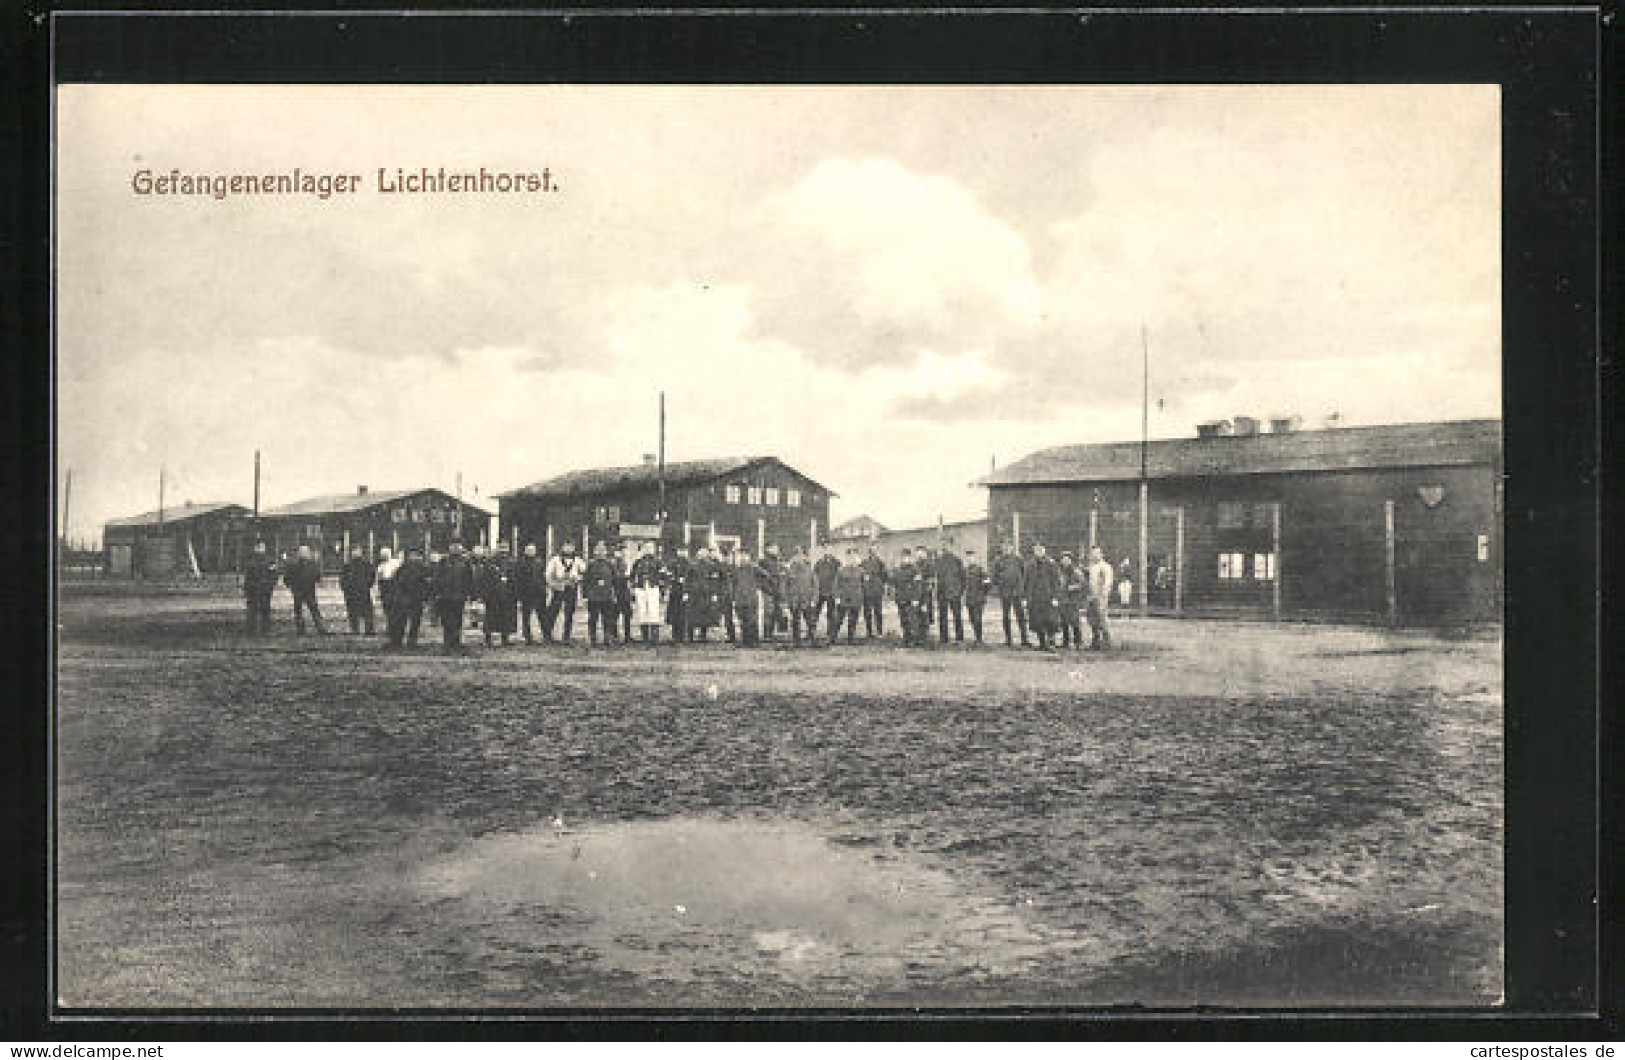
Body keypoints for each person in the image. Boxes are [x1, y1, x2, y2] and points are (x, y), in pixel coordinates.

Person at [432, 539, 476, 652]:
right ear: (449, 547)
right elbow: (436, 578)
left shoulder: (466, 562)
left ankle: (456, 643)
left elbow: (469, 579)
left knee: (457, 620)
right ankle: (447, 643)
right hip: (445, 596)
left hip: (460, 596)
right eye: (453, 545)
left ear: (461, 547)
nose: (456, 548)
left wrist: (471, 594)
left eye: (458, 545)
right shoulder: (443, 561)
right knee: (447, 620)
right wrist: (437, 593)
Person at [387, 545, 430, 648]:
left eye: (416, 555)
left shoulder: (423, 569)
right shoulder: (402, 568)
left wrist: (425, 597)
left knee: (414, 622)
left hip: (416, 599)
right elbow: (396, 583)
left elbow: (427, 585)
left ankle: (411, 642)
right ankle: (397, 641)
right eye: (411, 555)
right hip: (404, 599)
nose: (413, 557)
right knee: (401, 621)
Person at [729, 549, 772, 647]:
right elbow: (733, 584)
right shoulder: (736, 570)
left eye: (745, 556)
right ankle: (745, 641)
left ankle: (754, 641)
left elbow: (766, 576)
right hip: (740, 598)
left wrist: (759, 586)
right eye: (741, 556)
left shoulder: (754, 568)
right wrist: (733, 597)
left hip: (751, 598)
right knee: (742, 620)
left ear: (749, 557)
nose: (743, 558)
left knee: (752, 620)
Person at [544, 542, 585, 643]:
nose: (568, 549)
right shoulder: (555, 560)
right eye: (566, 547)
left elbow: (585, 573)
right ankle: (547, 635)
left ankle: (566, 636)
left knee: (569, 613)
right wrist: (554, 584)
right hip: (558, 588)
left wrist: (577, 578)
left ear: (574, 548)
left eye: (571, 547)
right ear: (562, 547)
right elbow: (548, 574)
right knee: (552, 612)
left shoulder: (578, 560)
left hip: (571, 588)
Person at [991, 541, 1030, 648]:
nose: (1007, 549)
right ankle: (1008, 640)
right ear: (1002, 548)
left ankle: (1024, 639)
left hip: (1017, 593)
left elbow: (1024, 575)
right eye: (1005, 547)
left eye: (1009, 547)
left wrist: (1021, 589)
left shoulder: (1018, 559)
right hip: (1005, 593)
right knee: (1006, 616)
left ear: (1012, 548)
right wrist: (1001, 584)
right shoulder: (998, 561)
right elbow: (994, 577)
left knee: (1021, 616)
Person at [476, 547, 517, 647]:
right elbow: (484, 578)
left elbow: (515, 578)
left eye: (505, 548)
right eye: (501, 547)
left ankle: (505, 639)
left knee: (506, 617)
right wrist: (484, 594)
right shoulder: (490, 562)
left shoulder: (511, 562)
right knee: (490, 617)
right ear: (498, 548)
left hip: (507, 594)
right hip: (492, 595)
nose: (503, 550)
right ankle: (488, 639)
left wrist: (514, 592)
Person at [283, 544, 327, 635]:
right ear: (299, 553)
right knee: (299, 611)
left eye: (305, 552)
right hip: (299, 591)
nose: (304, 554)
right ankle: (301, 629)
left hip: (309, 591)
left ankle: (321, 628)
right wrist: (292, 587)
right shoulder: (293, 565)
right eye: (302, 552)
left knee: (314, 610)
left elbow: (317, 577)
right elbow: (287, 578)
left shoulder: (312, 564)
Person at [1026, 542, 1062, 651]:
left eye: (1040, 550)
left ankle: (1051, 643)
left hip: (1048, 597)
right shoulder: (1030, 565)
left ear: (1044, 550)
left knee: (1051, 621)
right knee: (1037, 621)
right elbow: (1026, 582)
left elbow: (1056, 582)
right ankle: (1042, 643)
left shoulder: (1051, 564)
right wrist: (1026, 597)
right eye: (1036, 550)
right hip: (1035, 598)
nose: (1038, 552)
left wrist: (1055, 597)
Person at [582, 541, 619, 646]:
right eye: (598, 550)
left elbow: (615, 581)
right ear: (594, 552)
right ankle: (592, 638)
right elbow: (585, 581)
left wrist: (615, 594)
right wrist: (585, 596)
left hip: (606, 596)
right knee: (593, 618)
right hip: (593, 597)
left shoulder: (610, 565)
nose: (600, 553)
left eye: (602, 550)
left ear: (606, 552)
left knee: (607, 618)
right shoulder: (590, 565)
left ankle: (607, 638)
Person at [630, 542, 665, 645]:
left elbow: (663, 576)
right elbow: (632, 575)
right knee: (642, 611)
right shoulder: (638, 562)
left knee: (653, 611)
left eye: (651, 548)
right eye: (647, 548)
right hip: (641, 588)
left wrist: (661, 588)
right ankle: (645, 637)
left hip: (653, 588)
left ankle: (654, 638)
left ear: (654, 549)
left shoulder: (658, 562)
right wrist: (633, 587)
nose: (649, 550)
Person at [784, 545, 819, 647]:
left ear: (804, 557)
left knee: (810, 621)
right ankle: (796, 641)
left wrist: (814, 599)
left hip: (807, 600)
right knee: (795, 622)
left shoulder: (810, 570)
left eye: (801, 556)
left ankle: (812, 640)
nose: (799, 558)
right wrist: (786, 601)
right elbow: (784, 587)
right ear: (793, 558)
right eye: (796, 556)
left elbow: (815, 586)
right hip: (794, 600)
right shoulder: (789, 571)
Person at [339, 545, 377, 635]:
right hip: (352, 592)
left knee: (367, 612)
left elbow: (372, 576)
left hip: (363, 591)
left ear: (361, 552)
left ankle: (369, 630)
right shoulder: (347, 566)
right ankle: (355, 630)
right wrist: (345, 588)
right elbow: (342, 578)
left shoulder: (367, 564)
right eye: (354, 551)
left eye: (357, 551)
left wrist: (367, 585)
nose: (355, 553)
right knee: (353, 612)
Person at [241, 540, 278, 634]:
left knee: (265, 610)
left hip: (265, 589)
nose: (259, 549)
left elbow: (274, 575)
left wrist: (270, 585)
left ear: (265, 548)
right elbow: (247, 576)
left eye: (261, 547)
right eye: (258, 547)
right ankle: (250, 630)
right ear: (254, 548)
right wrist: (246, 588)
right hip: (253, 589)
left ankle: (265, 630)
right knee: (251, 610)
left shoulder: (270, 560)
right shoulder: (250, 560)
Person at [514, 543, 547, 644]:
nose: (531, 552)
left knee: (542, 615)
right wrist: (519, 593)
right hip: (526, 593)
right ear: (525, 551)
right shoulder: (520, 563)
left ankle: (546, 635)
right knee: (526, 616)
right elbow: (518, 579)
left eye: (533, 550)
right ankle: (528, 637)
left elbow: (543, 576)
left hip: (539, 593)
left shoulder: (540, 562)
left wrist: (544, 589)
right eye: (529, 550)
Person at [933, 543, 966, 644]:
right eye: (944, 547)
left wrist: (960, 591)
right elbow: (936, 577)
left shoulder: (957, 561)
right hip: (942, 593)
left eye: (948, 546)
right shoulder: (938, 561)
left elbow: (963, 578)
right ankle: (944, 638)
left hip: (954, 593)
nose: (946, 548)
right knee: (943, 616)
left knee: (957, 616)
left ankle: (959, 638)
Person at [832, 546, 864, 644]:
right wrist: (837, 597)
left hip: (856, 598)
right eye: (850, 556)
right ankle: (832, 638)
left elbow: (863, 584)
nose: (852, 559)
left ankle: (851, 638)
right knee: (839, 619)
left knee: (853, 619)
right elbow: (836, 584)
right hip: (844, 598)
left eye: (854, 556)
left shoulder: (861, 571)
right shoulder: (841, 570)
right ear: (847, 557)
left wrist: (861, 597)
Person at [1086, 545, 1115, 650]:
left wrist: (1103, 596)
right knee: (1092, 619)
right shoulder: (1092, 567)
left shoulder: (1105, 567)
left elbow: (1108, 582)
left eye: (1097, 553)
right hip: (1092, 596)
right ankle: (1096, 642)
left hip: (1101, 597)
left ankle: (1107, 642)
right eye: (1093, 553)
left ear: (1101, 554)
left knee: (1102, 618)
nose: (1094, 555)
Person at [1059, 551, 1088, 651]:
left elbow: (1082, 585)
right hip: (1063, 600)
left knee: (1075, 622)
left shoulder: (1076, 572)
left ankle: (1078, 642)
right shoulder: (1060, 572)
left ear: (1071, 560)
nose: (1065, 561)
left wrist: (1072, 587)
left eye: (1067, 559)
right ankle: (1065, 642)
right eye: (1063, 559)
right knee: (1064, 622)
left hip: (1073, 600)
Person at [664, 544, 692, 644]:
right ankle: (674, 636)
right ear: (677, 552)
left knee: (683, 614)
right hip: (674, 591)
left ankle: (682, 636)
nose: (682, 552)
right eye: (680, 550)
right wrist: (674, 579)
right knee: (674, 614)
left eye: (684, 550)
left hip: (684, 591)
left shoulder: (689, 564)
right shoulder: (672, 563)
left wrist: (687, 591)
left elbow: (691, 578)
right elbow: (667, 575)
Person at [759, 543, 787, 642]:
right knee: (768, 612)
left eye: (777, 548)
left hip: (778, 591)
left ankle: (776, 633)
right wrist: (766, 589)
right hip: (768, 591)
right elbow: (761, 578)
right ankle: (767, 634)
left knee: (778, 611)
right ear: (768, 549)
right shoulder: (763, 562)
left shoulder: (779, 561)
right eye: (774, 548)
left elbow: (783, 575)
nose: (777, 550)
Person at [859, 545, 888, 638]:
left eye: (875, 550)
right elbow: (860, 576)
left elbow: (885, 577)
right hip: (867, 591)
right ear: (869, 552)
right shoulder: (863, 563)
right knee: (867, 612)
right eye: (871, 550)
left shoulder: (881, 563)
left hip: (877, 591)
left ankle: (879, 632)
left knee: (878, 612)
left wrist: (882, 587)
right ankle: (869, 632)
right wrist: (864, 581)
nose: (873, 552)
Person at [963, 547, 990, 645]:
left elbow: (987, 583)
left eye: (972, 557)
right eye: (968, 558)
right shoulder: (965, 570)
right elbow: (963, 584)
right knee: (972, 619)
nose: (970, 559)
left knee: (978, 618)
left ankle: (979, 639)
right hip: (969, 599)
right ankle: (976, 637)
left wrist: (983, 594)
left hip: (978, 599)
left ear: (975, 558)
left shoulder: (981, 570)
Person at [813, 546, 840, 634]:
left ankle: (830, 632)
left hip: (831, 592)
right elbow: (814, 577)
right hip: (820, 591)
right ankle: (812, 631)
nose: (828, 551)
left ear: (833, 551)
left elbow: (839, 579)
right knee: (815, 612)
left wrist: (836, 593)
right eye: (826, 549)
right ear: (823, 551)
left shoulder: (837, 563)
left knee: (831, 613)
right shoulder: (819, 563)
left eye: (830, 549)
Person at [612, 543, 635, 643]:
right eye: (620, 551)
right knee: (614, 615)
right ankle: (614, 636)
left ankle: (627, 636)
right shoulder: (613, 563)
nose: (622, 553)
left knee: (627, 614)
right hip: (616, 590)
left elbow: (629, 577)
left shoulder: (626, 562)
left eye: (624, 551)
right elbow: (615, 577)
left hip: (625, 591)